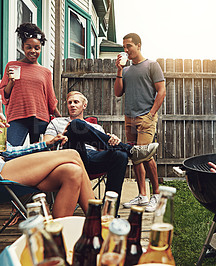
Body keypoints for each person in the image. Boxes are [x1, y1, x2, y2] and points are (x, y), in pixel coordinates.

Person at [0, 60, 95, 218]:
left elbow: (9, 151)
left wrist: (45, 144)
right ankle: (98, 222)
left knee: (72, 172)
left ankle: (57, 238)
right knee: (72, 154)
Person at [43, 91, 159, 212]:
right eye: (70, 102)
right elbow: (47, 144)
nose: (72, 105)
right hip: (69, 157)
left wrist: (113, 141)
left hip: (91, 159)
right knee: (75, 124)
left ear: (84, 105)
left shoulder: (96, 127)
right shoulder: (56, 122)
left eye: (76, 102)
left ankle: (109, 211)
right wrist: (61, 136)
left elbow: (104, 149)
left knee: (120, 155)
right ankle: (129, 150)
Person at [114, 33, 166, 212]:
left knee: (145, 155)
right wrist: (119, 70)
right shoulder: (126, 70)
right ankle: (143, 195)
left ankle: (157, 195)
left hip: (146, 117)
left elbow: (161, 91)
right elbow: (118, 93)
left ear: (139, 45)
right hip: (129, 117)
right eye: (124, 47)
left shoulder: (152, 65)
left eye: (129, 46)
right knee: (135, 156)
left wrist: (151, 114)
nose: (126, 50)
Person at [0, 22, 61, 146]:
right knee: (10, 152)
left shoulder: (45, 72)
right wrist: (11, 81)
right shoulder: (12, 66)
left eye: (37, 48)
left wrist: (60, 118)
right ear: (22, 47)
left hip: (40, 119)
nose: (33, 51)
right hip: (17, 116)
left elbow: (50, 100)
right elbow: (4, 95)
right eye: (29, 47)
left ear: (40, 48)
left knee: (40, 154)